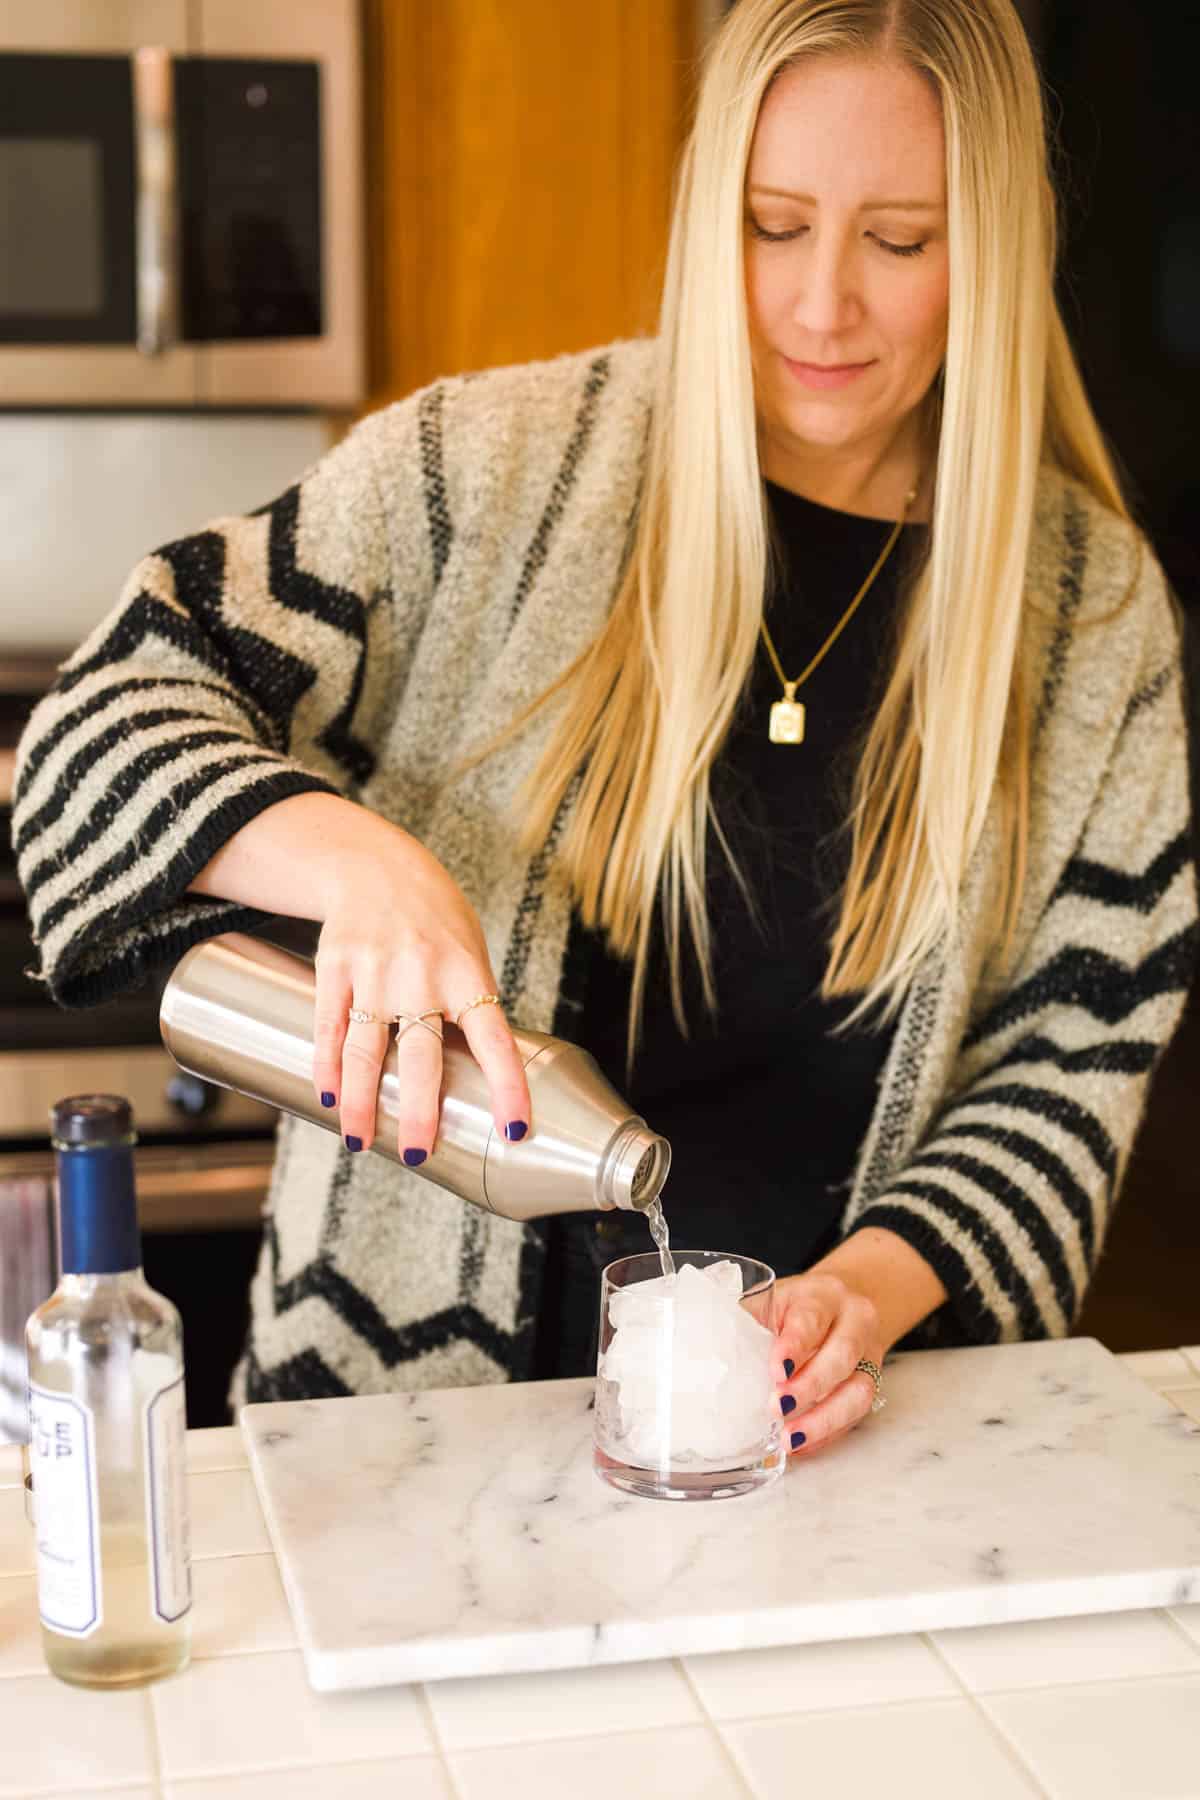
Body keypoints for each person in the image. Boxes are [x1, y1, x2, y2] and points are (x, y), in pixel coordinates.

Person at [14, 0, 1195, 1459]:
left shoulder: (1086, 617)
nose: (825, 303)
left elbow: (1074, 1049)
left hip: (856, 1458)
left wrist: (870, 1297)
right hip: (407, 1450)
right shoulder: (484, 479)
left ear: (995, 250)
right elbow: (96, 721)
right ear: (708, 215)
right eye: (774, 227)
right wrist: (356, 868)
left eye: (901, 241)